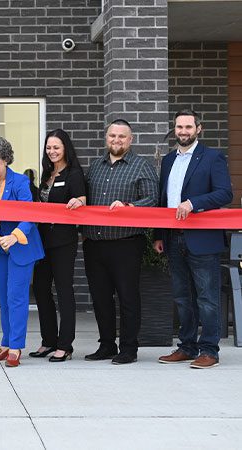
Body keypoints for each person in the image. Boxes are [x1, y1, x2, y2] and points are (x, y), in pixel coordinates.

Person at [155, 110, 233, 369]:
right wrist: (158, 235)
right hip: (174, 239)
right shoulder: (167, 160)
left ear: (199, 128)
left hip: (203, 239)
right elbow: (162, 200)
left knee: (207, 298)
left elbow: (224, 194)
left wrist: (194, 203)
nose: (183, 131)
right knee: (181, 297)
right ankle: (187, 347)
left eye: (189, 126)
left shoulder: (212, 157)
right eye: (179, 127)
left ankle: (209, 350)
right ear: (174, 130)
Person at [81, 119, 159, 365]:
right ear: (107, 138)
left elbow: (153, 200)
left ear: (130, 139)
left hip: (126, 244)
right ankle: (106, 345)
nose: (116, 140)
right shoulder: (96, 166)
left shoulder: (141, 166)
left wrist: (129, 207)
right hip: (94, 243)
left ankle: (128, 348)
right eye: (112, 136)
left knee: (127, 297)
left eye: (121, 137)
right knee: (100, 298)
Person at [0, 136, 44, 367]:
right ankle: (6, 344)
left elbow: (29, 215)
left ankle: (16, 347)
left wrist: (14, 236)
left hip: (20, 248)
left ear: (6, 160)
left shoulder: (20, 182)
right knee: (4, 300)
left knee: (17, 299)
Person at [30, 129, 86, 362]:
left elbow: (83, 199)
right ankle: (48, 341)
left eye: (56, 147)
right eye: (49, 147)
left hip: (63, 241)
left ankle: (65, 345)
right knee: (41, 290)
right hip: (42, 241)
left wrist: (79, 201)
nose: (52, 151)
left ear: (65, 149)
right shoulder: (46, 174)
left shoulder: (74, 174)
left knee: (63, 291)